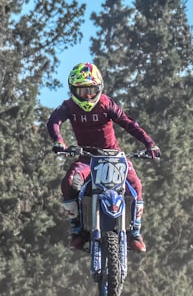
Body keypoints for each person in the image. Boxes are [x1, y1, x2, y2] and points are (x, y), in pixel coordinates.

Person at [47, 62, 161, 252]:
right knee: (68, 183)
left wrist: (150, 143)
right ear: (72, 90)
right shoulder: (67, 107)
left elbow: (128, 123)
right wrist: (59, 141)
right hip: (86, 158)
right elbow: (54, 122)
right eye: (82, 92)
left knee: (136, 185)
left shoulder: (107, 104)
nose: (88, 96)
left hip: (114, 157)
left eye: (92, 90)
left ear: (99, 88)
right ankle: (78, 231)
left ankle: (135, 233)